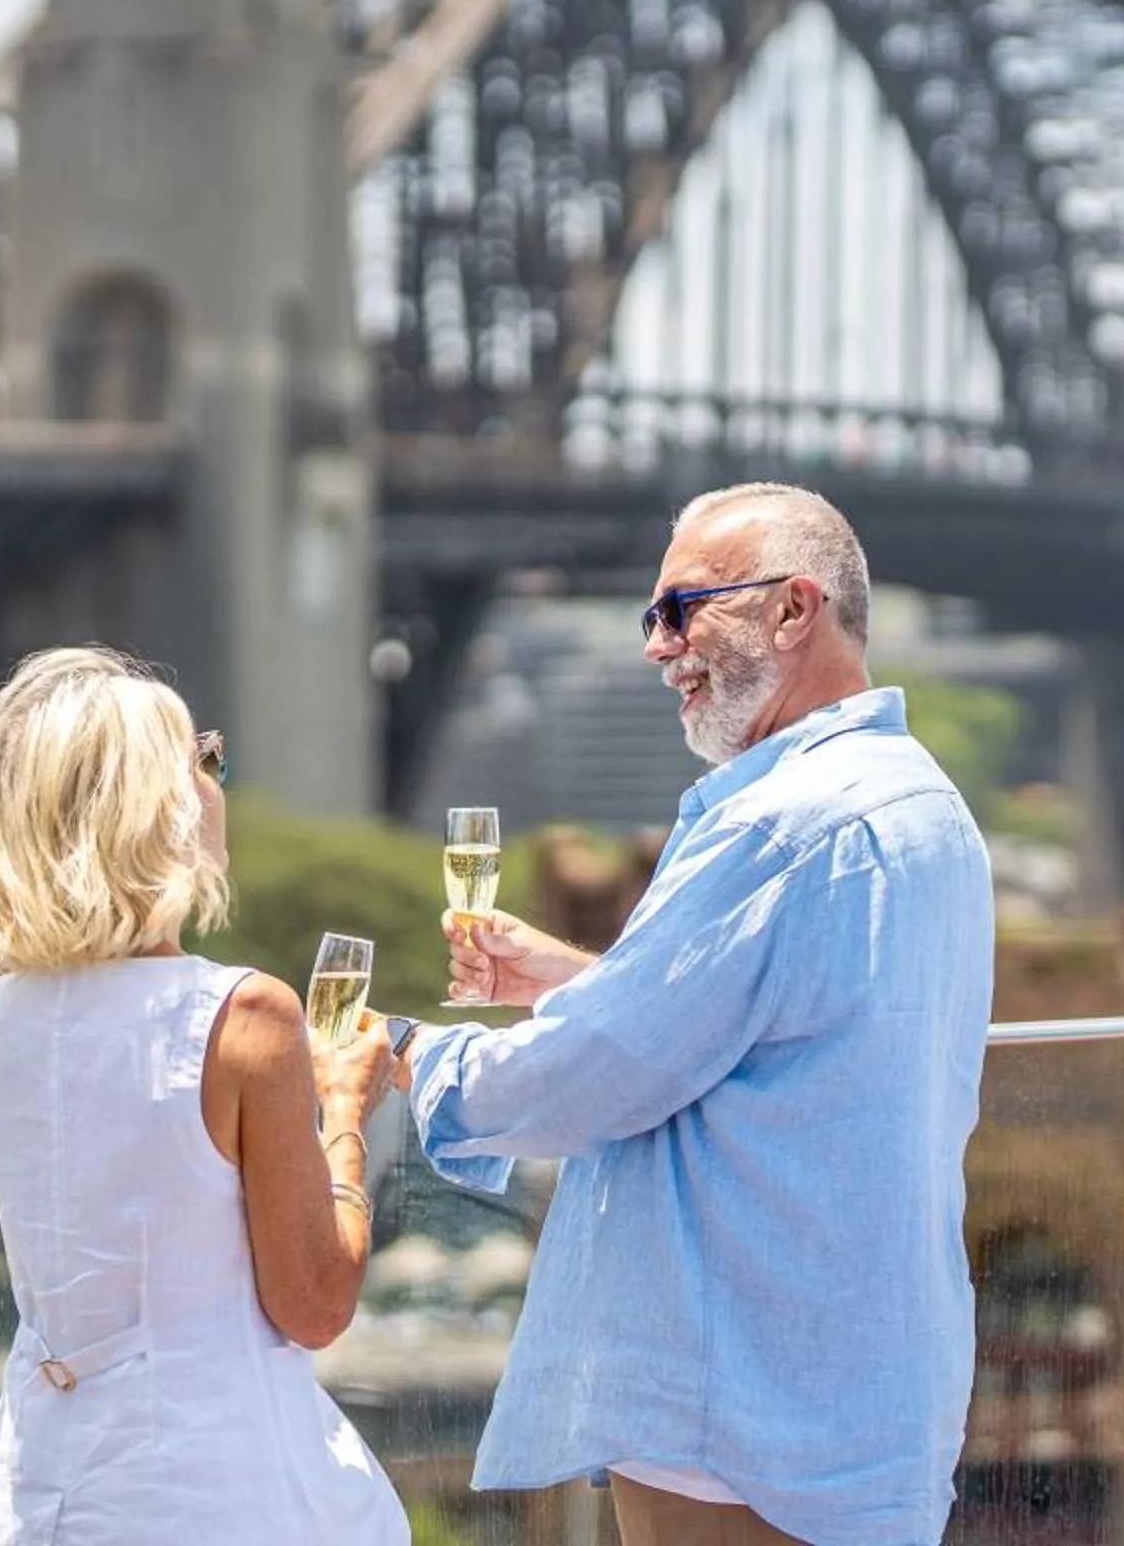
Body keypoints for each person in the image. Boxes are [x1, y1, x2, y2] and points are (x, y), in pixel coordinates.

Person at [393, 484, 995, 1546]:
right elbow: (776, 1024)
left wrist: (402, 1054)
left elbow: (591, 1078)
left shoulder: (776, 823)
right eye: (650, 618)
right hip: (866, 1391)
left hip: (738, 1411)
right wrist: (578, 977)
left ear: (792, 609)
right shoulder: (924, 805)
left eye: (681, 609)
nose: (659, 647)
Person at [0, 646, 406, 1546]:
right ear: (157, 804)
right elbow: (315, 1302)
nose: (218, 782)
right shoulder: (244, 1015)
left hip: (48, 1474)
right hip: (216, 1479)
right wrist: (343, 1113)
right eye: (205, 759)